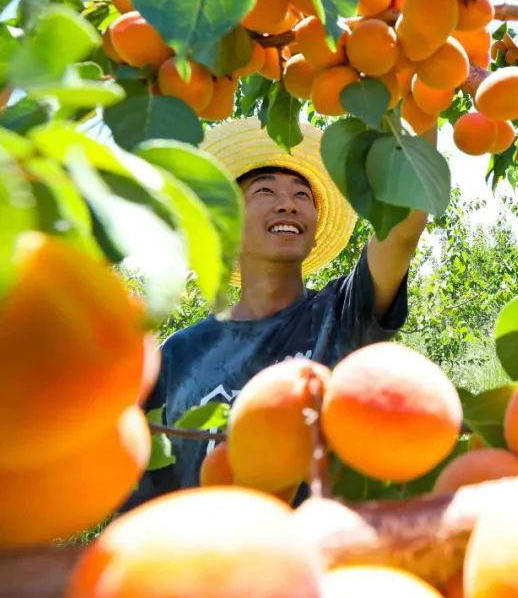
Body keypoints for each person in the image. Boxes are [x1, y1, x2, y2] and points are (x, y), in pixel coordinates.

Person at [129, 118, 431, 504]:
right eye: (265, 190)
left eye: (302, 196)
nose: (287, 203)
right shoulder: (179, 356)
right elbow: (146, 494)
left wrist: (422, 92)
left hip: (326, 555)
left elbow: (403, 228)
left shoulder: (341, 313)